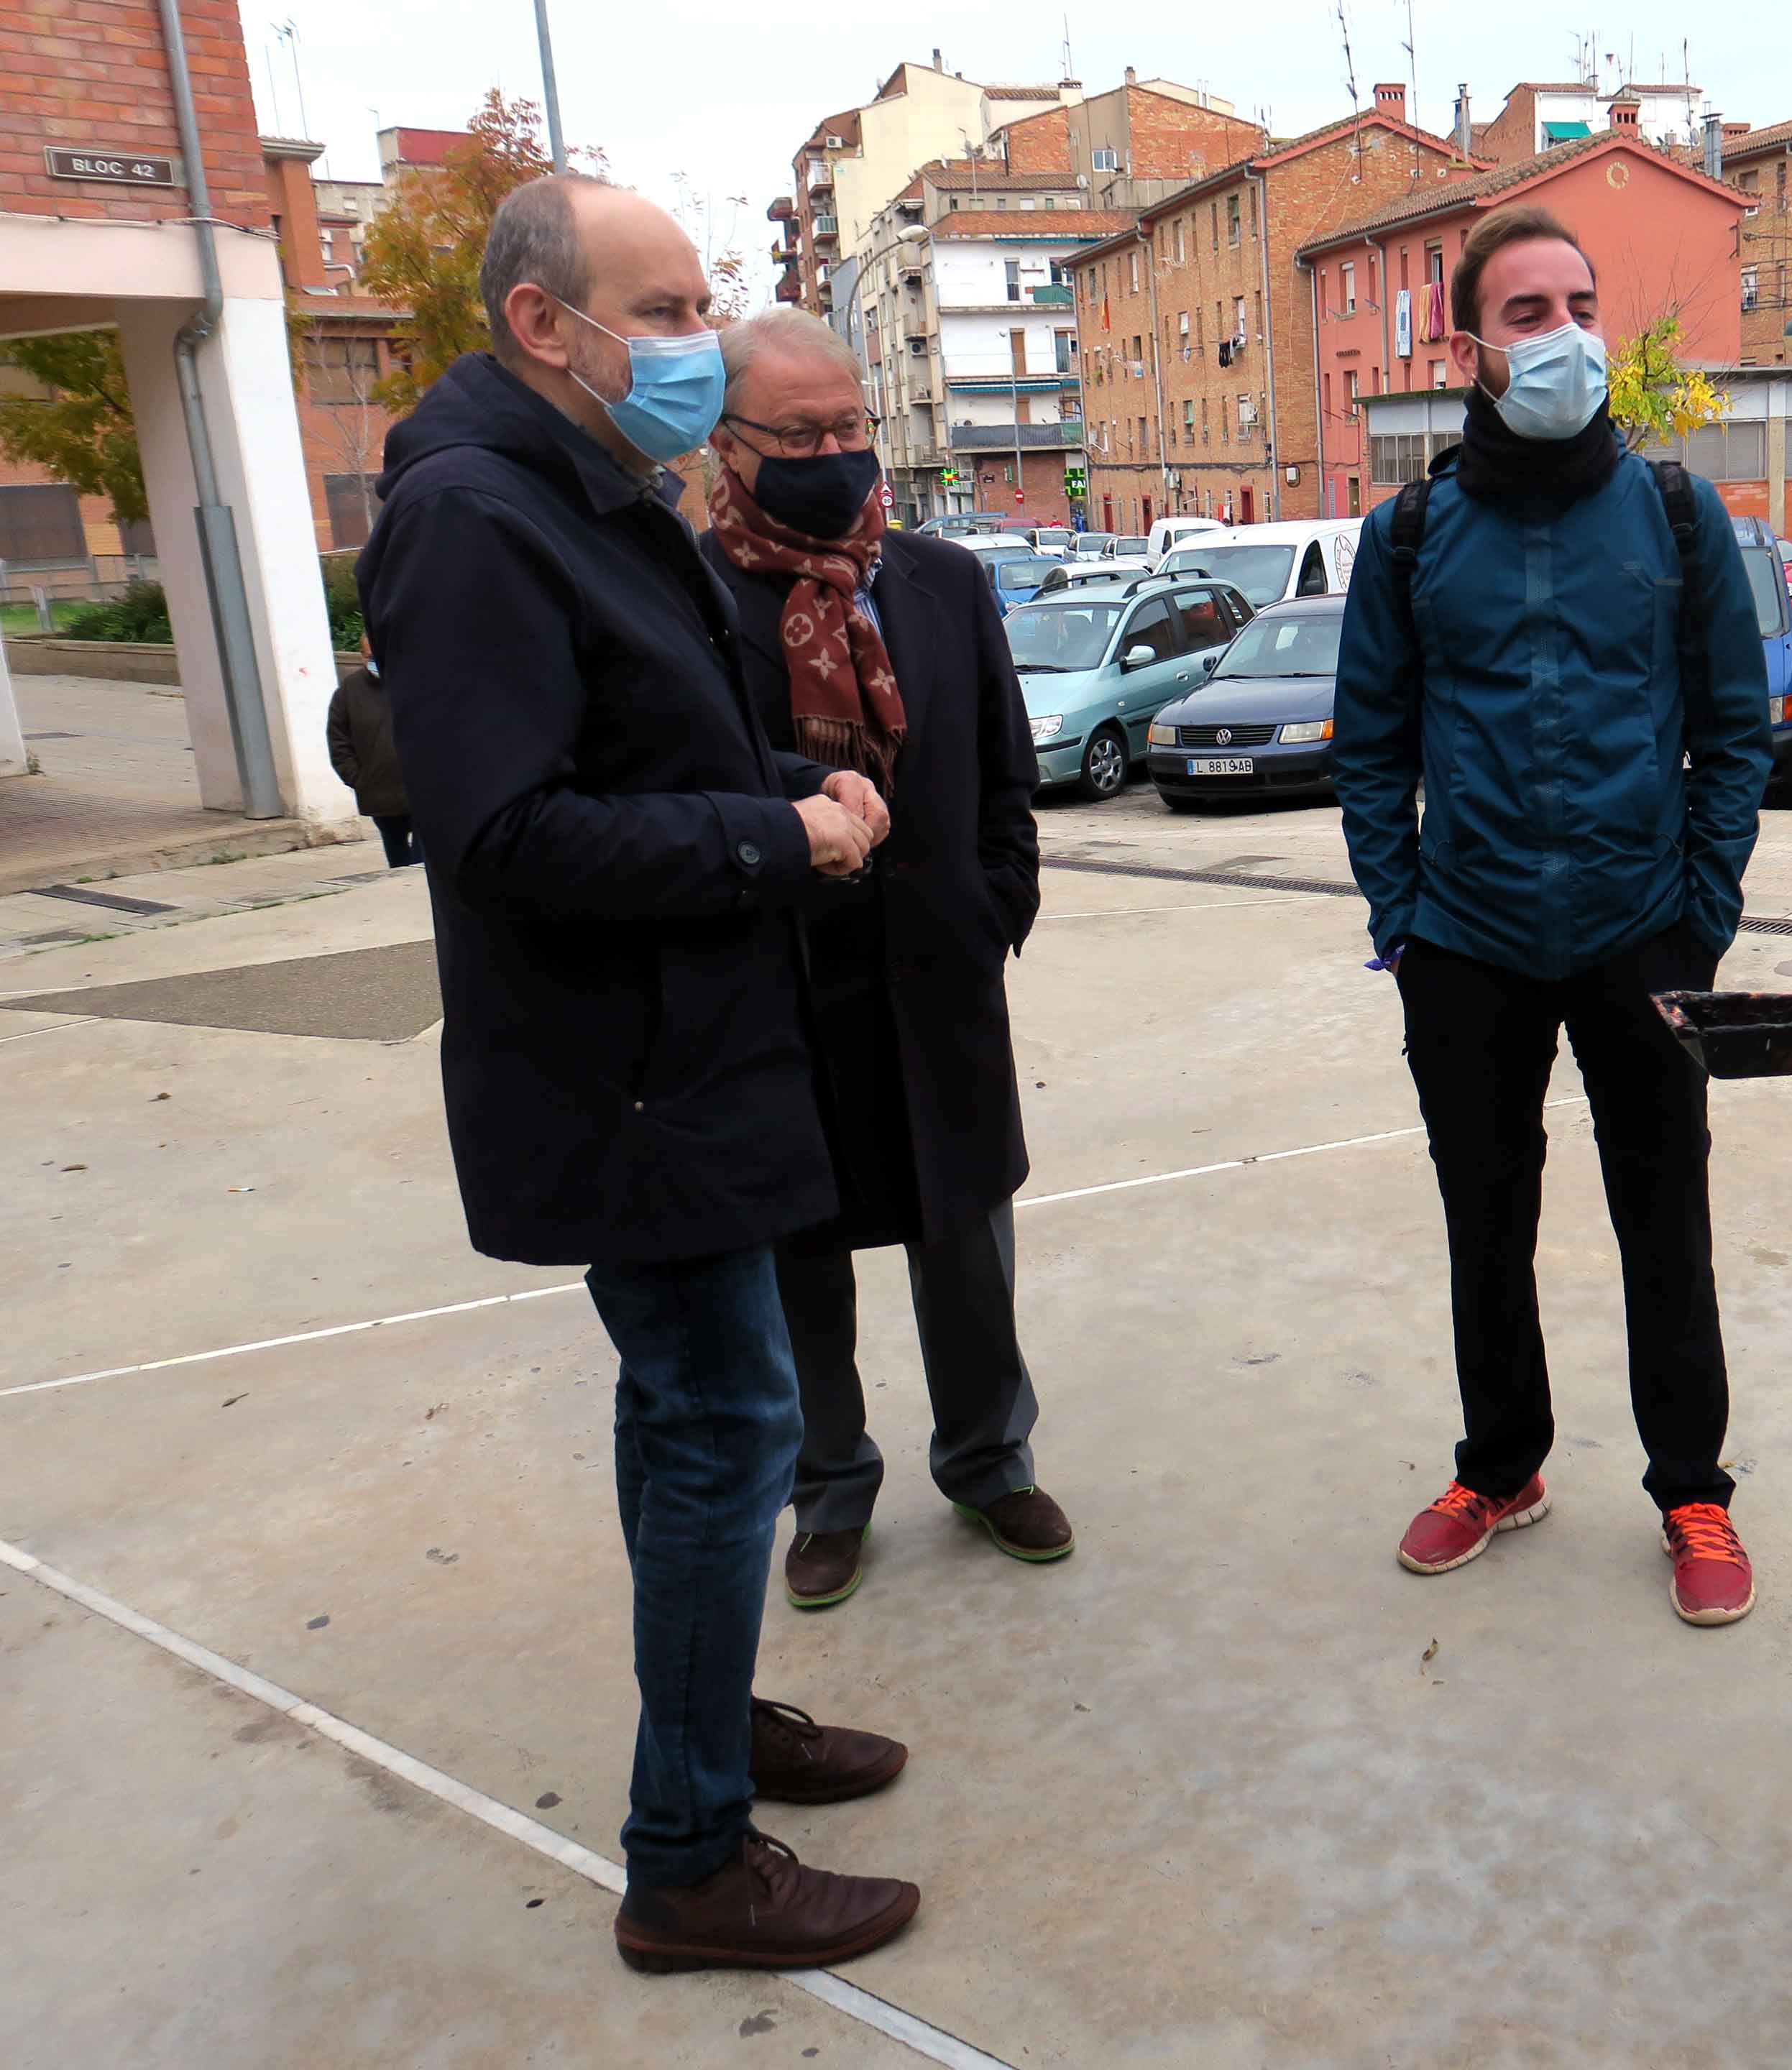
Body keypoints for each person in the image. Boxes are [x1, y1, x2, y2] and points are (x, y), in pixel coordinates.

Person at [355, 174, 924, 1976]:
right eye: (665, 310)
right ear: (544, 324)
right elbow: (509, 830)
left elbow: (643, 728)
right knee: (729, 1423)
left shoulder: (588, 494)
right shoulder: (477, 519)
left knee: (681, 1412)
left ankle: (710, 1713)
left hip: (684, 1058)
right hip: (630, 1081)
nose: (698, 339)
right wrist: (782, 841)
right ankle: (686, 1854)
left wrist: (790, 780)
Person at [1332, 206, 1776, 1627]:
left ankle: (1691, 1486)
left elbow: (1732, 729)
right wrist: (1404, 916)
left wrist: (1700, 912)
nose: (1566, 334)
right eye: (1529, 313)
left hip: (1641, 929)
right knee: (1487, 1219)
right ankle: (1502, 1466)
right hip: (1466, 941)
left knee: (1667, 1212)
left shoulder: (1675, 514)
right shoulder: (1408, 538)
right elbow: (1369, 745)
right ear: (1473, 345)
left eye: (1580, 303)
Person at [697, 309, 1065, 1608]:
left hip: (940, 983)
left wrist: (993, 908)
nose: (835, 451)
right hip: (780, 1000)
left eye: (849, 425)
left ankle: (986, 1461)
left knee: (968, 1245)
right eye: (799, 433)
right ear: (729, 443)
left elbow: (1005, 777)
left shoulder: (943, 580)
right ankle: (829, 1490)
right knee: (800, 1270)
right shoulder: (694, 594)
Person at [324, 633, 417, 866]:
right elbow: (338, 740)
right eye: (369, 657)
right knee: (397, 858)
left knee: (425, 860)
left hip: (420, 792)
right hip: (380, 795)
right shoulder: (349, 691)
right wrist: (358, 778)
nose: (375, 661)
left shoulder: (414, 681)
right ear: (362, 656)